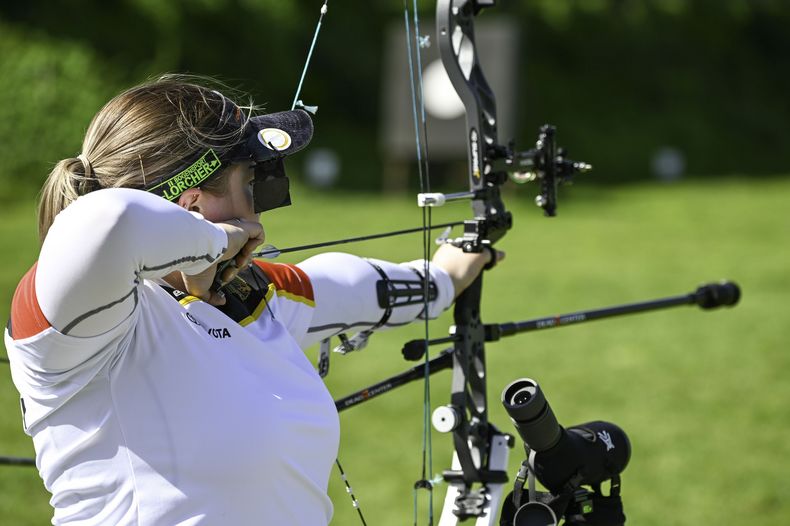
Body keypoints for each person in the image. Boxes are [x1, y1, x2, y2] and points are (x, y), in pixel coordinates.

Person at [4, 75, 497, 525]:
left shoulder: (250, 300)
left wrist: (444, 278)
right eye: (251, 185)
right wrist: (213, 242)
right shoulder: (80, 326)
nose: (258, 217)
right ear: (192, 205)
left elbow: (344, 285)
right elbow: (103, 222)